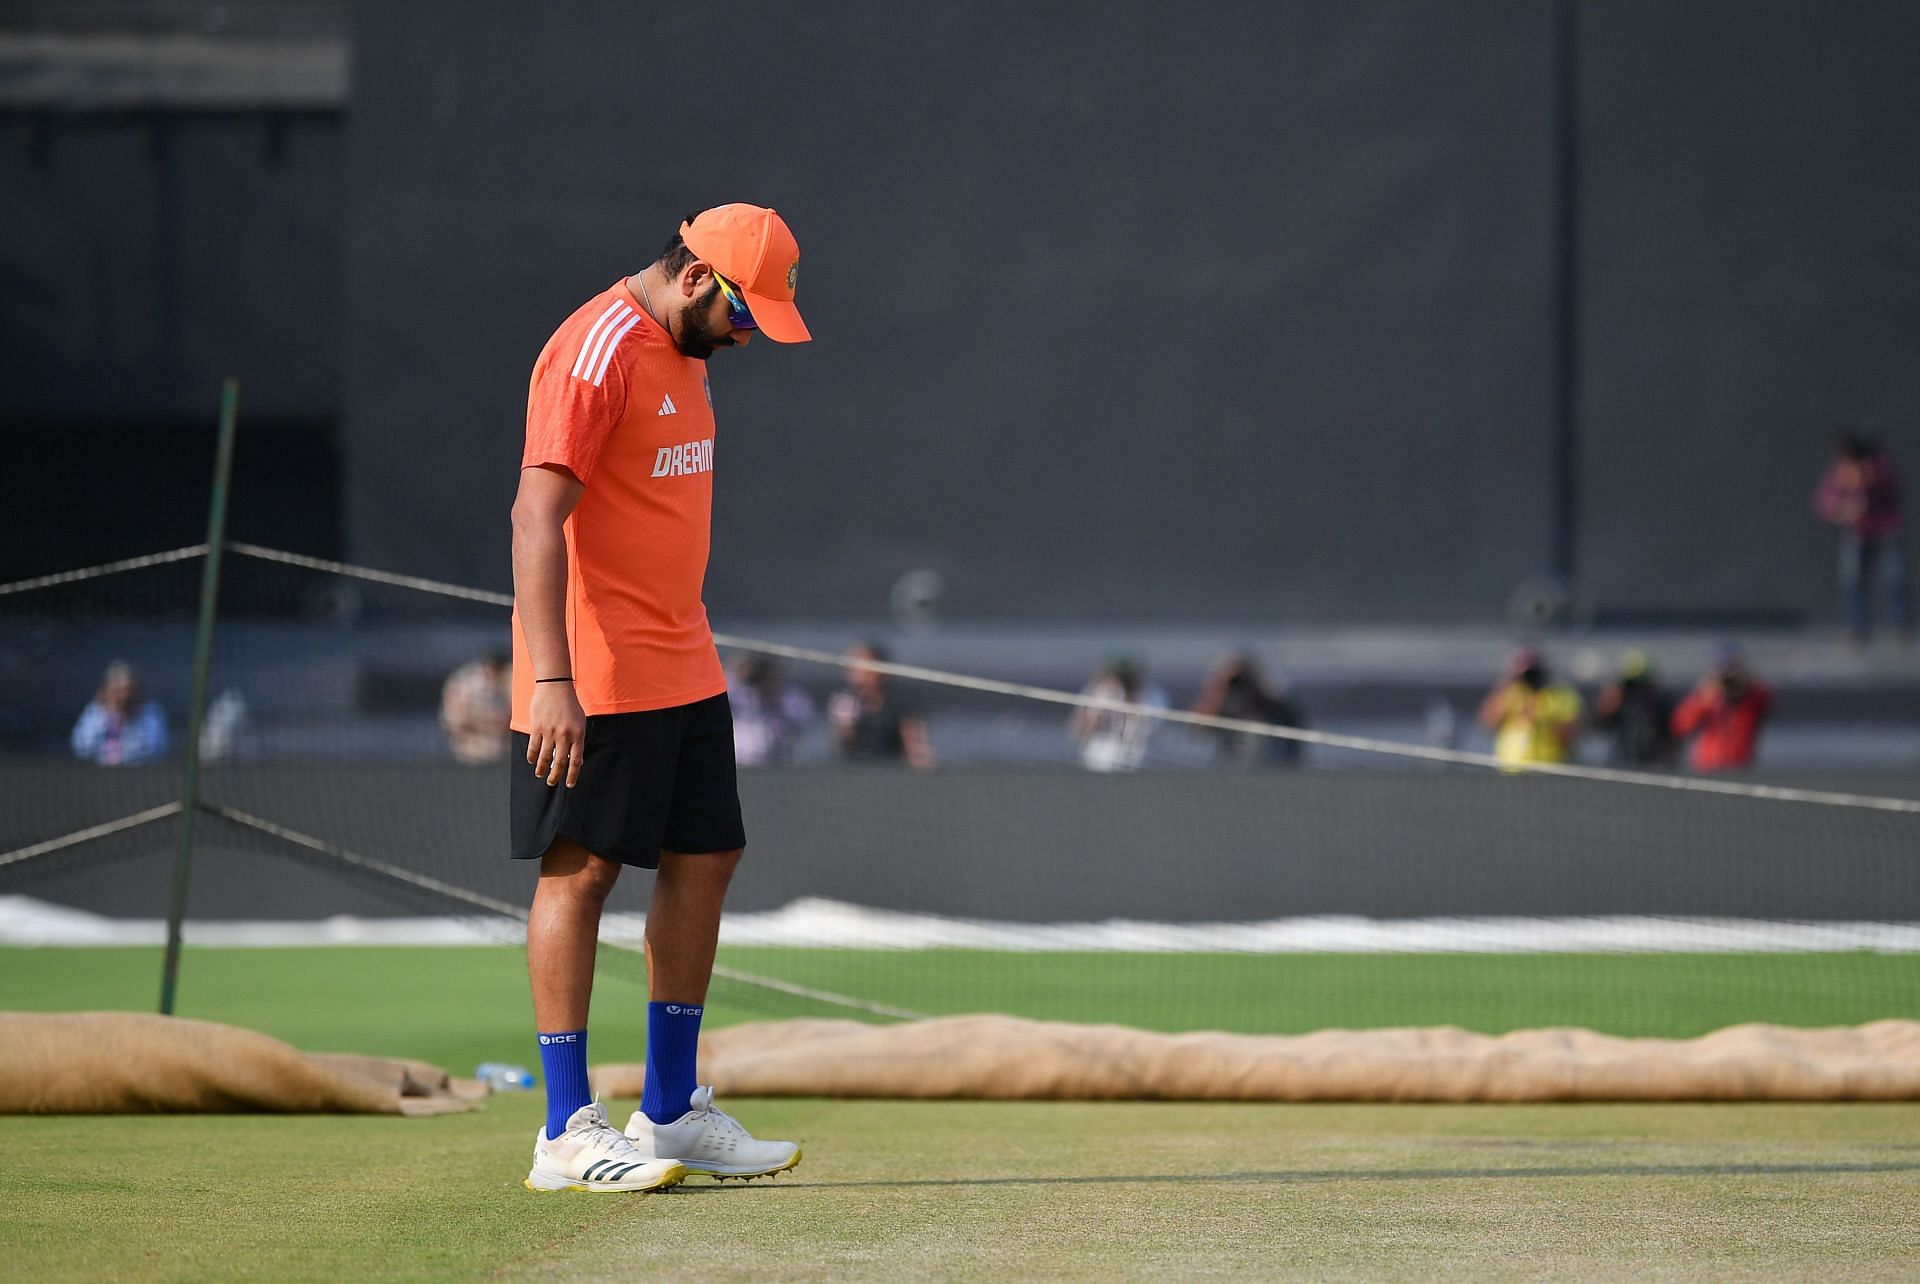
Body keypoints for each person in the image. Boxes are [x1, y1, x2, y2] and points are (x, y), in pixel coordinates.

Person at [509, 205, 809, 1195]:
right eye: (744, 314)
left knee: (709, 855)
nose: (748, 335)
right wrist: (553, 679)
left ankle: (671, 1112)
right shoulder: (596, 350)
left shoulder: (686, 353)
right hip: (594, 670)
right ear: (695, 280)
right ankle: (563, 1131)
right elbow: (536, 516)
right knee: (583, 870)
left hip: (685, 654)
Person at [1815, 432, 1911, 644]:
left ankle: (1901, 628)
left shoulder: (1879, 466)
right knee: (1853, 581)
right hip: (1857, 531)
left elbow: (1893, 487)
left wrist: (1870, 478)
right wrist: (1842, 508)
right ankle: (1857, 629)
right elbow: (1826, 502)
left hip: (1886, 527)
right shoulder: (1842, 470)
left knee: (1896, 578)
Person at [827, 642, 935, 769]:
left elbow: (914, 740)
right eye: (853, 669)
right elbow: (840, 744)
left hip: (895, 768)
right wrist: (846, 723)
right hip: (855, 769)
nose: (857, 674)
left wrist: (921, 762)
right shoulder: (845, 699)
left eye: (864, 669)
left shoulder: (901, 698)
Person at [1193, 651, 1308, 766]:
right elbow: (1198, 728)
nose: (1239, 688)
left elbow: (1291, 717)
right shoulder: (1224, 705)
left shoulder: (1270, 704)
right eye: (1235, 683)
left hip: (1268, 768)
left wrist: (1257, 685)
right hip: (1230, 769)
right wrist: (1220, 687)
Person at [1671, 645, 1772, 772]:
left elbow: (1766, 701)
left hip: (1742, 763)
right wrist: (1705, 696)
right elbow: (1681, 725)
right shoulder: (1707, 697)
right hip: (1709, 763)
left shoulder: (1751, 697)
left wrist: (1747, 684)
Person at [1477, 648, 1580, 767]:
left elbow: (1570, 737)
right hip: (1511, 768)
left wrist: (1543, 719)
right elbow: (1488, 722)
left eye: (1533, 672)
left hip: (1550, 769)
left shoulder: (1561, 695)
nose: (1529, 678)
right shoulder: (1510, 692)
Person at [1069, 655, 1167, 772]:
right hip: (1099, 762)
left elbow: (1151, 729)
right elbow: (1079, 730)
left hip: (1137, 763)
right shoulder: (1097, 691)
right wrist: (1100, 709)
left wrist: (1131, 700)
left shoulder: (1152, 694)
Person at [70, 661, 168, 765]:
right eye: (117, 691)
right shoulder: (95, 714)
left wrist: (129, 720)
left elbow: (156, 750)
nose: (123, 698)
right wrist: (109, 720)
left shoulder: (151, 713)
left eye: (128, 691)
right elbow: (82, 748)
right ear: (106, 691)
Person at [1589, 649, 1675, 768]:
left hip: (1652, 762)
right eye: (1631, 685)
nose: (1636, 690)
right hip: (1622, 759)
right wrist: (1609, 702)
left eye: (1641, 685)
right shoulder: (1621, 702)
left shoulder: (1660, 703)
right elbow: (1598, 725)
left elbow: (1670, 736)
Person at [729, 653, 814, 766]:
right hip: (740, 761)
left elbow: (803, 720)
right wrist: (737, 671)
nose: (766, 680)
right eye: (763, 675)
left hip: (776, 761)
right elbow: (721, 695)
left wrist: (775, 698)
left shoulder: (789, 695)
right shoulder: (741, 693)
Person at [440, 651, 512, 764]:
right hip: (470, 751)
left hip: (505, 753)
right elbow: (457, 723)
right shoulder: (465, 684)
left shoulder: (511, 680)